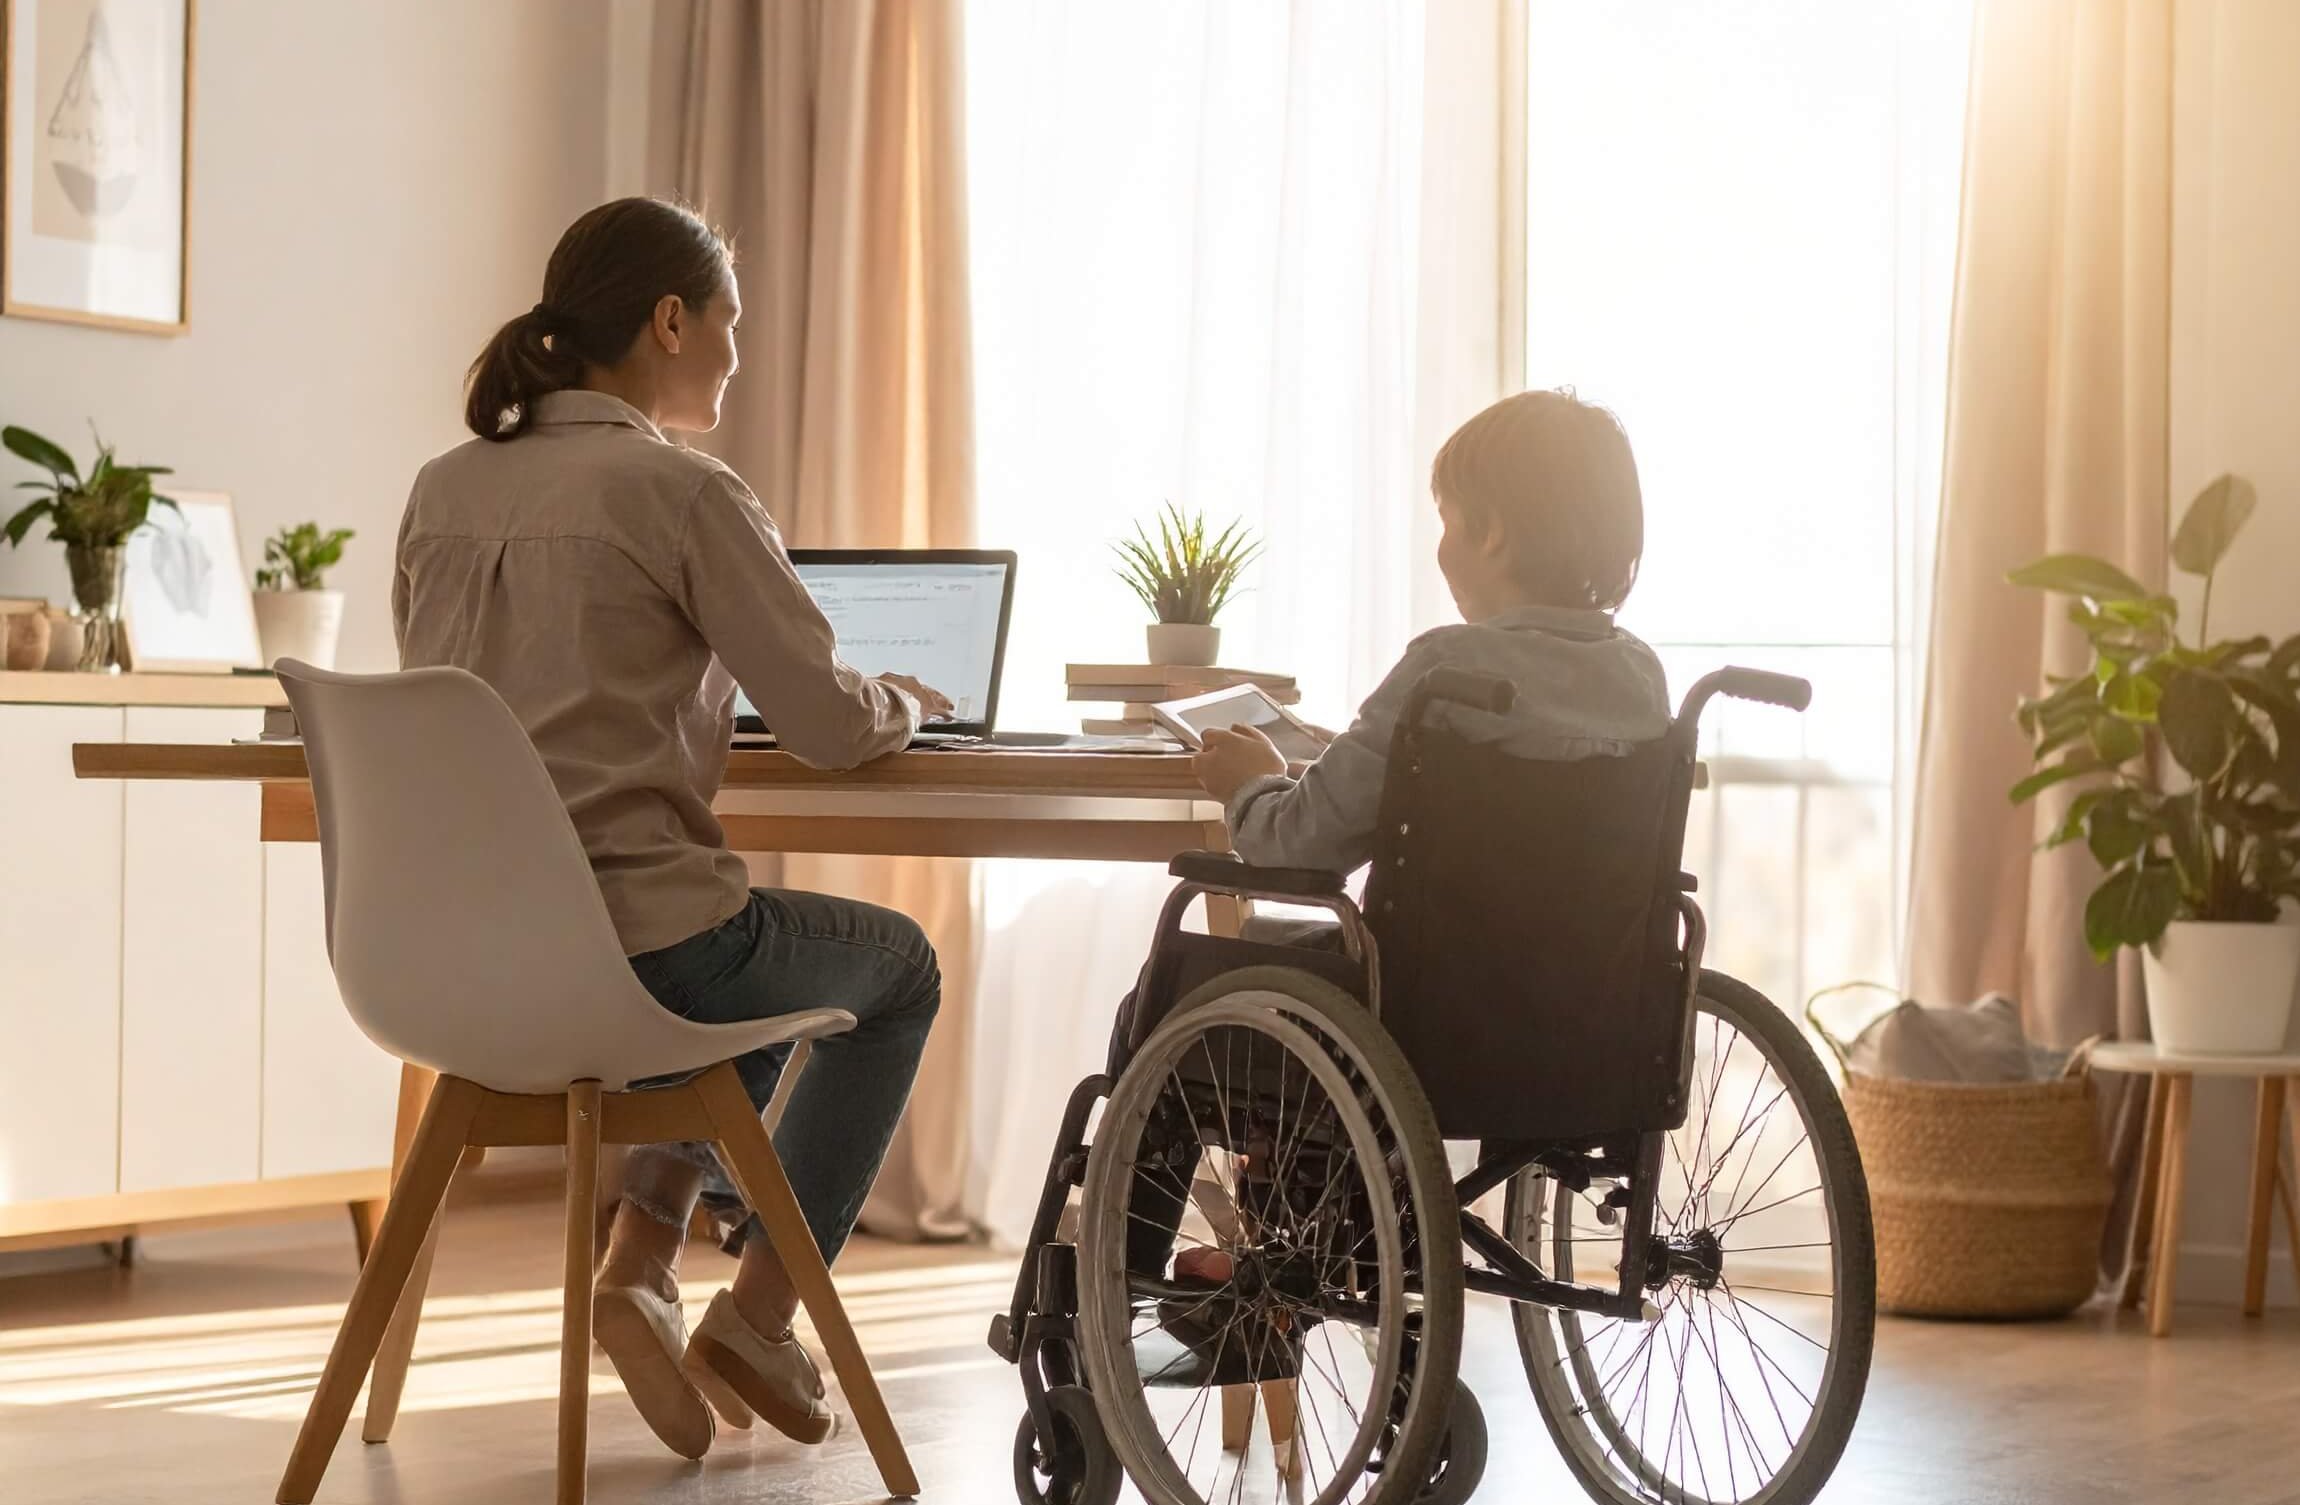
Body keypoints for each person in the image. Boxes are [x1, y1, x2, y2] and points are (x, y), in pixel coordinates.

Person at [394, 197, 948, 1459]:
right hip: (639, 951)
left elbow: (444, 716)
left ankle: (641, 1262)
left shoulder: (439, 488)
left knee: (736, 945)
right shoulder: (680, 489)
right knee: (880, 967)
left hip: (449, 971)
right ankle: (758, 1313)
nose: (739, 354)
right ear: (667, 320)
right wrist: (903, 702)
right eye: (729, 323)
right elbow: (821, 720)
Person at [1140, 387, 1674, 1282]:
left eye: (1449, 520)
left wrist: (1250, 785)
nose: (1442, 547)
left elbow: (1299, 847)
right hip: (1589, 1026)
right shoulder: (1641, 679)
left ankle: (1131, 1287)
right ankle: (1302, 1236)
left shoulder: (1449, 673)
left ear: (1493, 533)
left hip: (1428, 1020)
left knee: (1180, 987)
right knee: (1316, 977)